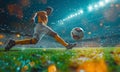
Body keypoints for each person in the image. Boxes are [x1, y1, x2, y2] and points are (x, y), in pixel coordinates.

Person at [5, 7, 76, 51]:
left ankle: (14, 42)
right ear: (47, 10)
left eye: (51, 12)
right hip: (40, 25)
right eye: (50, 11)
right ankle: (67, 45)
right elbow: (35, 13)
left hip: (39, 28)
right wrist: (33, 17)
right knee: (55, 34)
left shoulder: (46, 17)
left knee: (34, 41)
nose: (50, 12)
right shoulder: (43, 12)